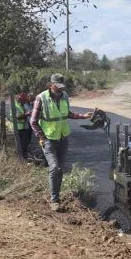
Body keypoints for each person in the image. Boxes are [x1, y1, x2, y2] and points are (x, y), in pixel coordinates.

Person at [30, 74, 92, 211]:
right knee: (54, 167)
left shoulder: (64, 96)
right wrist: (41, 137)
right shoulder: (41, 98)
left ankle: (56, 194)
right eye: (57, 87)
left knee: (61, 169)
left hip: (63, 138)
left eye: (61, 87)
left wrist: (83, 116)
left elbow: (67, 114)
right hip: (48, 139)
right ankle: (54, 199)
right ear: (51, 85)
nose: (59, 90)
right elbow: (33, 121)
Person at [12, 92, 32, 160]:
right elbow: (17, 117)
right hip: (19, 128)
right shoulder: (15, 105)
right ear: (20, 99)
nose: (25, 102)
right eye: (24, 100)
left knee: (25, 143)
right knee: (21, 144)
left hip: (24, 127)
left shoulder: (21, 105)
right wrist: (27, 114)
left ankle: (25, 157)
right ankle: (21, 158)